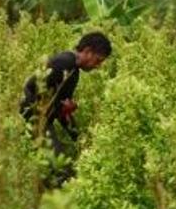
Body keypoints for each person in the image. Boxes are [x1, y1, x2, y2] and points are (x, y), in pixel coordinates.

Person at [20, 31, 112, 188]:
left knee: (57, 167)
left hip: (42, 121)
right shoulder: (64, 62)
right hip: (33, 118)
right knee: (61, 169)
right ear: (87, 51)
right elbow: (31, 87)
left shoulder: (74, 71)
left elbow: (62, 108)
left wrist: (78, 137)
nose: (97, 66)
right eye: (97, 60)